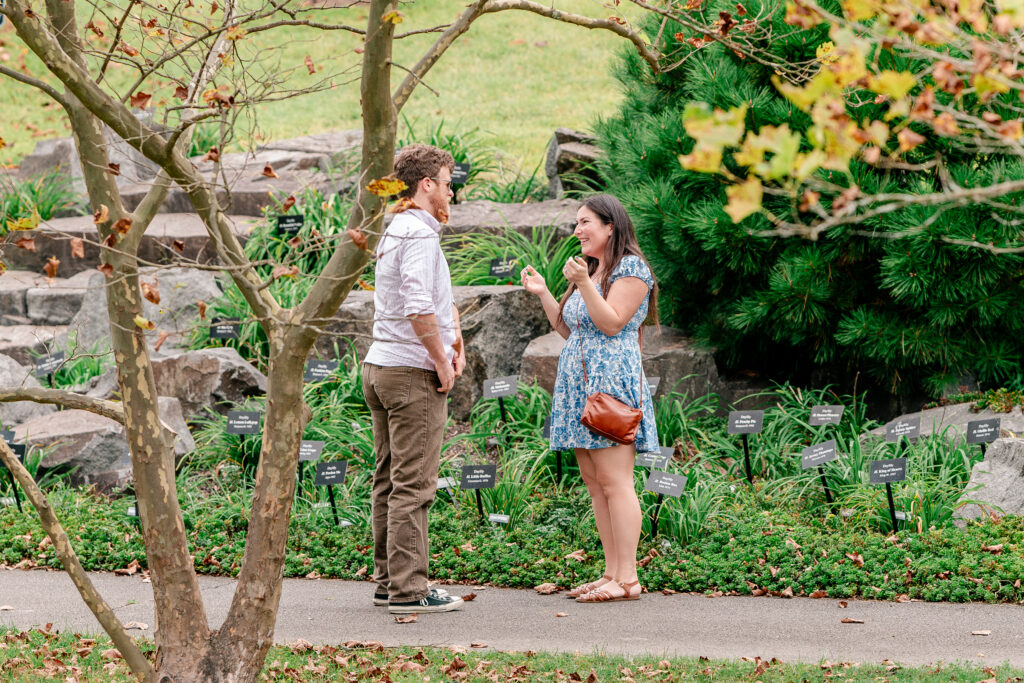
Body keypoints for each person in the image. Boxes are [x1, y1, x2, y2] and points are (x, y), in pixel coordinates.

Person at [521, 194, 659, 603]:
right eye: (576, 223)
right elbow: (571, 329)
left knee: (617, 482)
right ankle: (611, 573)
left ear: (610, 226)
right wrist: (546, 291)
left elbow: (613, 323)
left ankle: (629, 579)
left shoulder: (631, 268)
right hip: (579, 386)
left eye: (586, 223)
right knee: (596, 484)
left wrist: (582, 283)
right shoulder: (596, 270)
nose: (578, 230)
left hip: (611, 385)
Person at [363, 144, 466, 614]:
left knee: (388, 479)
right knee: (414, 485)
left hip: (381, 365)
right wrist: (442, 361)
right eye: (447, 182)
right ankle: (410, 590)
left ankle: (388, 581)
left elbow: (431, 300)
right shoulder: (419, 236)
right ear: (427, 185)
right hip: (410, 372)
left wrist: (455, 336)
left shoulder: (397, 229)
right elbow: (418, 306)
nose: (450, 190)